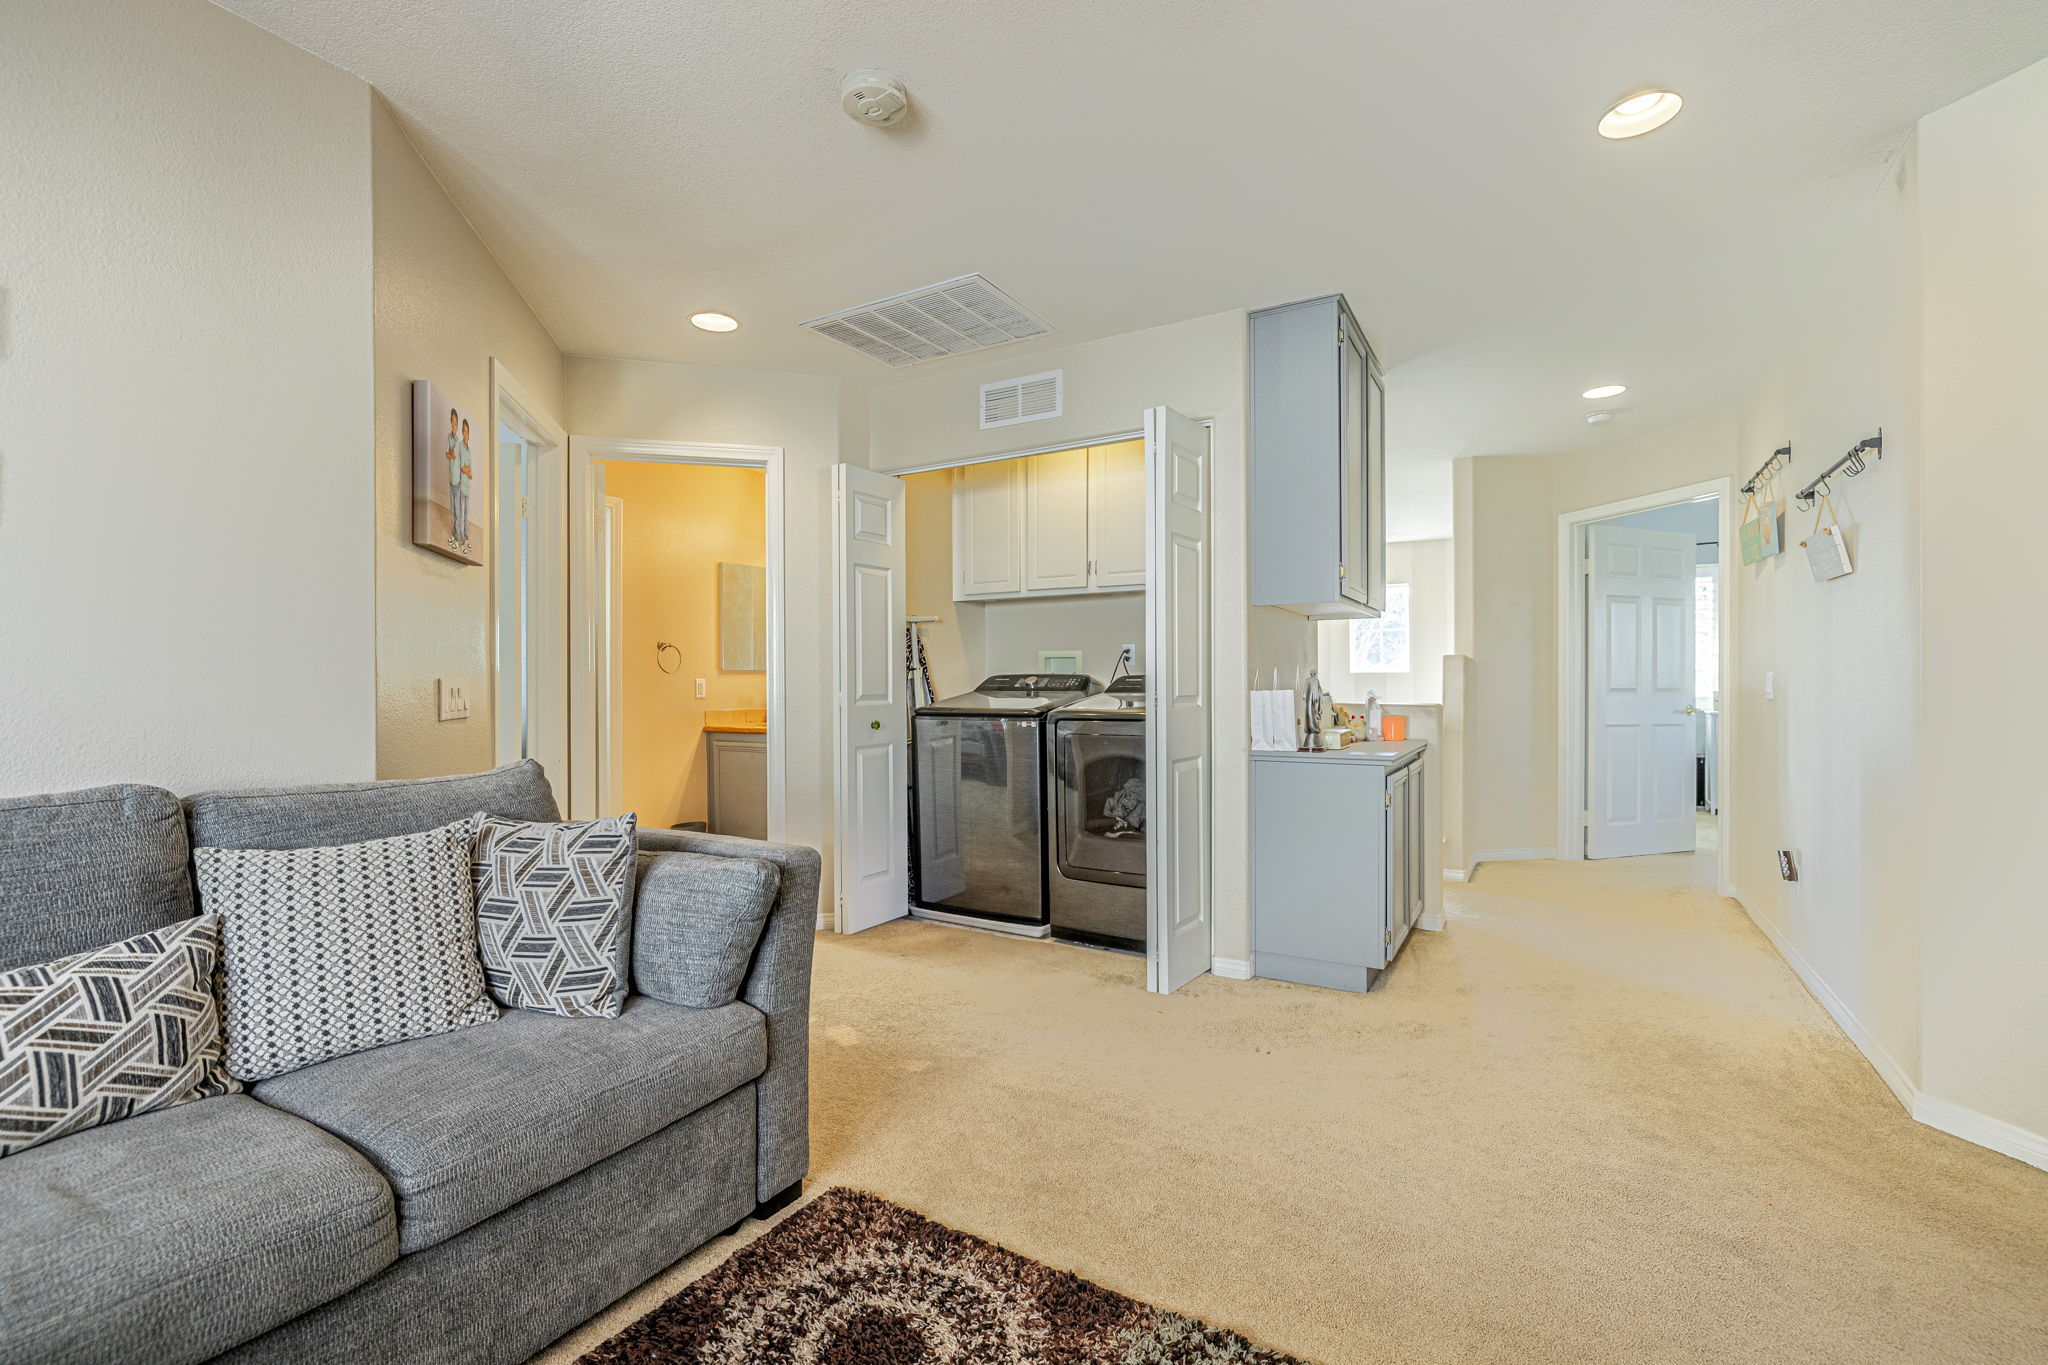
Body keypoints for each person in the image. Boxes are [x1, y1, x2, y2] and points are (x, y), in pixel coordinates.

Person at [450, 416, 474, 554]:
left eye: (467, 432)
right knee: (458, 512)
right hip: (459, 484)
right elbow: (459, 465)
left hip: (466, 487)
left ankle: (465, 537)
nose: (465, 434)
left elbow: (470, 470)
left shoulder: (469, 450)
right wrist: (464, 470)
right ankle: (458, 539)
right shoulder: (458, 445)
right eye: (463, 431)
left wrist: (467, 471)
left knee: (466, 513)